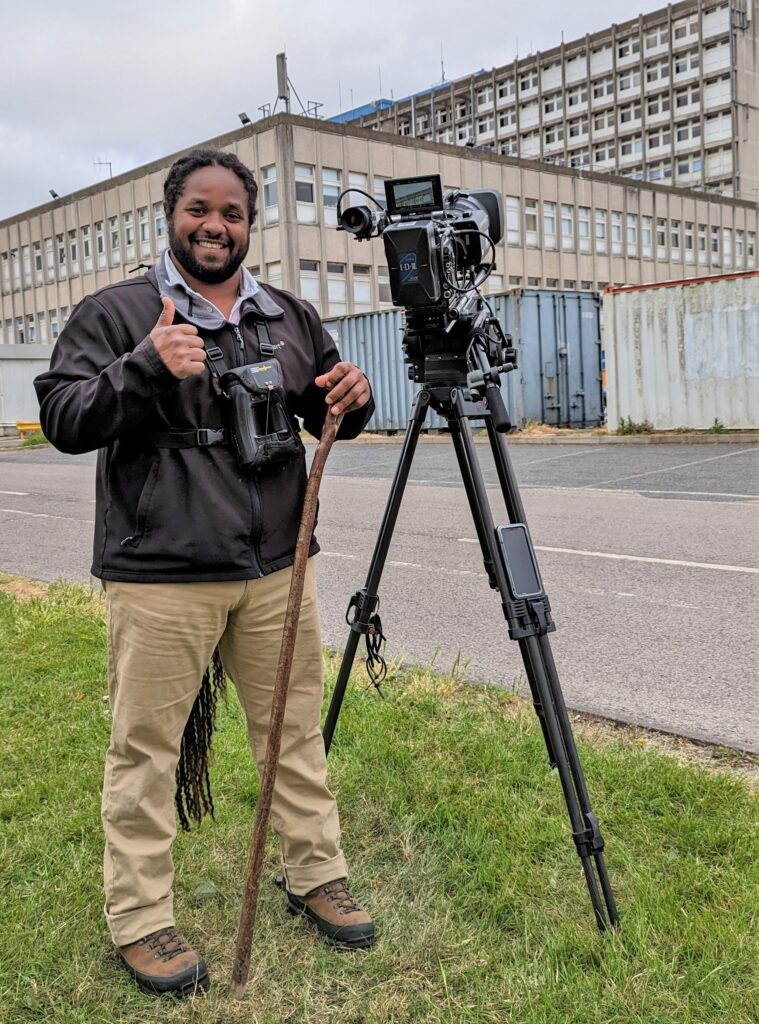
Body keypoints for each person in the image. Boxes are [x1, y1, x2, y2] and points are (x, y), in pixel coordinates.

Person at [34, 148, 375, 999]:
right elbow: (64, 418)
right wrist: (147, 366)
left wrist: (352, 399)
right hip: (161, 575)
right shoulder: (116, 313)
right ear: (171, 214)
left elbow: (327, 406)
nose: (214, 226)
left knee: (291, 734)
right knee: (144, 751)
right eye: (199, 210)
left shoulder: (287, 316)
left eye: (231, 213)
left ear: (250, 225)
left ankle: (313, 873)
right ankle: (142, 919)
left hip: (275, 570)